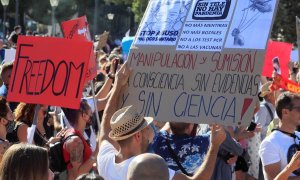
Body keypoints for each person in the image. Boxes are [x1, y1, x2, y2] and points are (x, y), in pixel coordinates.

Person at [97, 62, 226, 180]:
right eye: (146, 129)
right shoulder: (146, 166)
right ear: (137, 135)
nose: (150, 134)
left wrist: (118, 86)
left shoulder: (105, 161)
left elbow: (105, 130)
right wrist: (214, 146)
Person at [151, 122, 243, 179]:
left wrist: (174, 119)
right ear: (190, 126)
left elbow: (164, 129)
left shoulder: (159, 140)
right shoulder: (204, 141)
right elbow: (237, 148)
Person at [259, 92, 300, 179]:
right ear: (285, 112)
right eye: (299, 109)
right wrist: (290, 168)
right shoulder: (269, 143)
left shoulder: (298, 135)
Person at [62, 100, 98, 180]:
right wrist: (96, 152)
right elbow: (78, 175)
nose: (91, 117)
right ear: (84, 116)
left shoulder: (74, 133)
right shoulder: (76, 141)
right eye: (90, 115)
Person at [0, 97, 14, 161]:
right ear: (3, 121)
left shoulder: (5, 142)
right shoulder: (2, 146)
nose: (14, 118)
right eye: (11, 115)